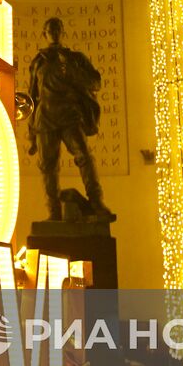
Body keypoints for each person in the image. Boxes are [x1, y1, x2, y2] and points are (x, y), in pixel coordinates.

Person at [26, 16, 112, 221]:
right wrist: (31, 131)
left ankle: (96, 201)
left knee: (84, 155)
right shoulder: (38, 62)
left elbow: (95, 82)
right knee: (48, 166)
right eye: (50, 30)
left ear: (62, 32)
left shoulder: (75, 58)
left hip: (69, 115)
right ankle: (54, 211)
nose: (54, 33)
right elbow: (32, 97)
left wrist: (71, 69)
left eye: (57, 30)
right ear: (44, 34)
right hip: (44, 118)